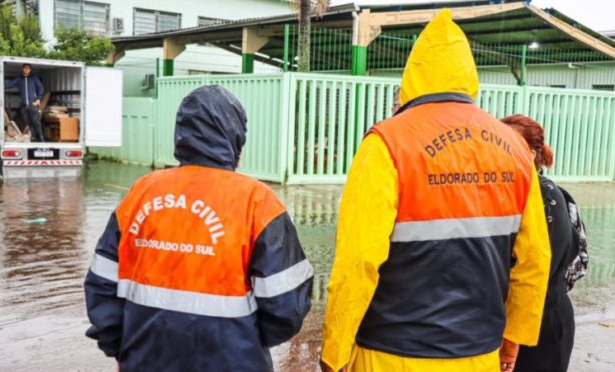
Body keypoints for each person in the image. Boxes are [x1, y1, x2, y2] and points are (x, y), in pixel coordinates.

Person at [320, 9, 551, 372]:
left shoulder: (387, 143)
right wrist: (512, 340)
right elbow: (534, 260)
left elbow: (357, 261)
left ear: (413, 76)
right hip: (479, 354)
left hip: (390, 355)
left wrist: (334, 352)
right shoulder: (515, 150)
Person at [84, 85, 314, 371]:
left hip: (144, 360)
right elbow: (286, 307)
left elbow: (102, 284)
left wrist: (121, 346)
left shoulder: (142, 193)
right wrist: (243, 341)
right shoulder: (258, 202)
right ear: (235, 139)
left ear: (181, 135)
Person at [501, 114, 588, 372]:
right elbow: (580, 265)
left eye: (506, 145)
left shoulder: (532, 196)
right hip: (549, 318)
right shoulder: (561, 196)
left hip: (529, 325)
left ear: (529, 153)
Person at [5, 63, 46, 142]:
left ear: (30, 70)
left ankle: (41, 138)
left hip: (32, 104)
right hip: (24, 105)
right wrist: (0, 85)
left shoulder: (34, 78)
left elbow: (41, 88)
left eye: (28, 68)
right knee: (29, 122)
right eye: (25, 68)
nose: (26, 69)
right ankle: (33, 138)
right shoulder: (19, 78)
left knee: (36, 122)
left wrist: (38, 99)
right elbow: (9, 85)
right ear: (22, 69)